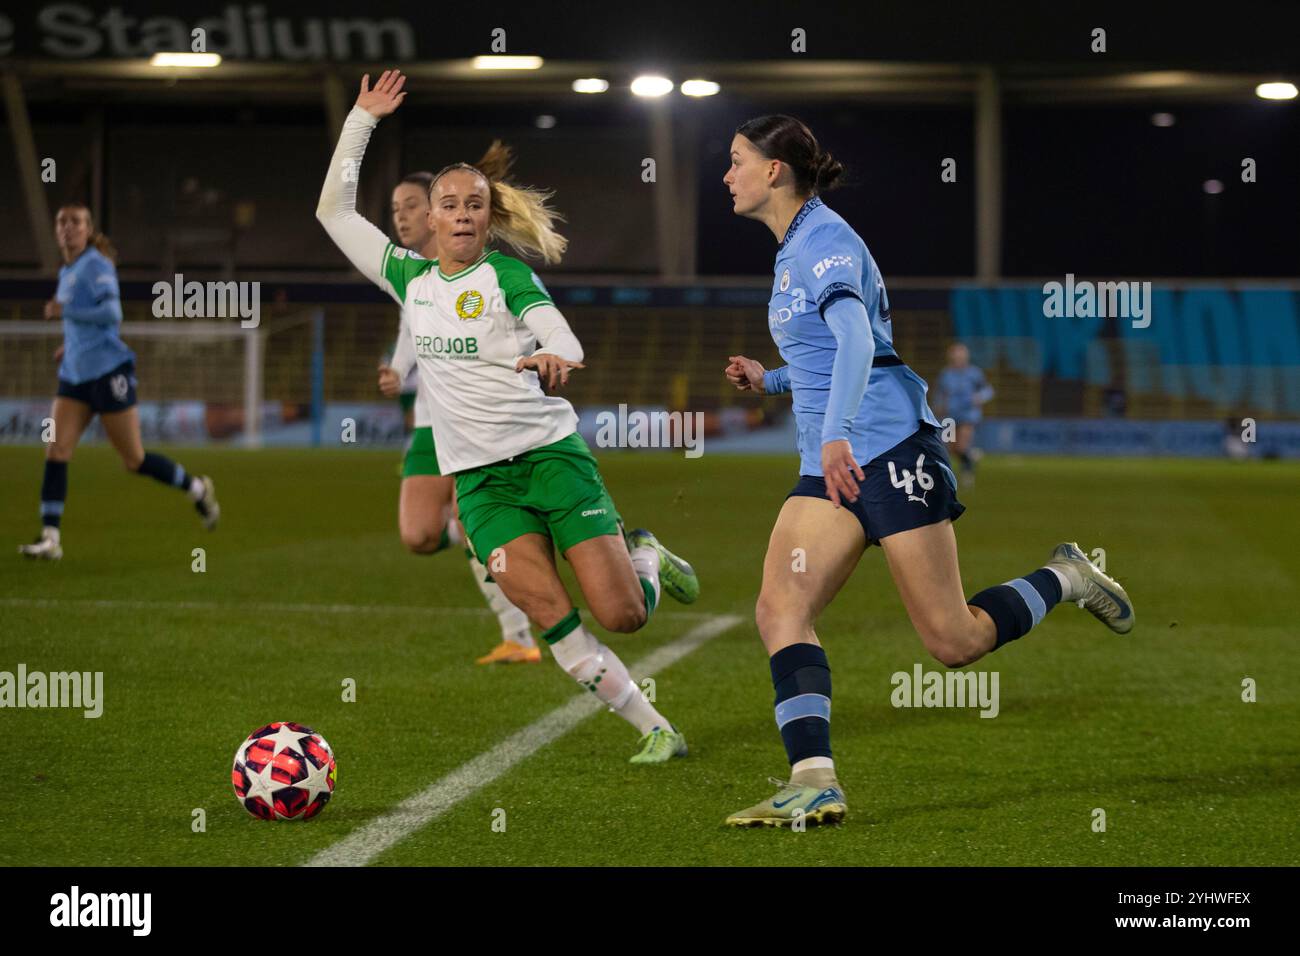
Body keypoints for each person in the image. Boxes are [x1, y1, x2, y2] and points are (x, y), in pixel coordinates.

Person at [721, 115, 1135, 826]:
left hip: (886, 449)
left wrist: (838, 433)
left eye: (735, 161)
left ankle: (1065, 577)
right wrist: (774, 383)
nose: (726, 176)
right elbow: (836, 356)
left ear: (774, 171)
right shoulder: (794, 249)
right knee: (779, 608)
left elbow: (856, 336)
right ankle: (814, 778)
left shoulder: (823, 240)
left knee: (954, 641)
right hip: (834, 462)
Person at [317, 70, 700, 763]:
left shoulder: (507, 278)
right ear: (431, 218)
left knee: (624, 615)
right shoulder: (408, 279)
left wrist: (556, 357)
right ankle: (654, 727)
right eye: (449, 204)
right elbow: (334, 214)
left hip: (552, 459)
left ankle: (645, 553)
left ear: (488, 218)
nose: (462, 214)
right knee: (550, 615)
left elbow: (563, 336)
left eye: (475, 205)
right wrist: (361, 121)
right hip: (482, 486)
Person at [377, 170, 536, 664]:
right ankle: (479, 529)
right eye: (395, 209)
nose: (400, 217)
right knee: (419, 535)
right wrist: (397, 370)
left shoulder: (486, 273)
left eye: (408, 206)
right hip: (430, 421)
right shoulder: (414, 276)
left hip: (480, 421)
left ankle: (520, 637)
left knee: (476, 523)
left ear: (434, 212)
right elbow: (409, 331)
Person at [19, 203, 219, 561]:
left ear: (87, 229)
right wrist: (72, 345)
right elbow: (89, 323)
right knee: (57, 450)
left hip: (110, 374)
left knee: (134, 460)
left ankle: (197, 487)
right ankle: (51, 538)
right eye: (62, 222)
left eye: (75, 222)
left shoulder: (96, 264)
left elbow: (113, 313)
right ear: (55, 230)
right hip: (75, 377)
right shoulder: (68, 271)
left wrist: (67, 313)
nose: (68, 228)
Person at [933, 342, 994, 486]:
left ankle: (967, 475)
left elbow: (988, 390)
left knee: (961, 446)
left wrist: (979, 397)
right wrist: (936, 407)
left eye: (961, 355)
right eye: (956, 355)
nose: (958, 358)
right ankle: (972, 456)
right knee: (950, 449)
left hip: (969, 415)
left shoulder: (974, 373)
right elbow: (940, 394)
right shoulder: (946, 374)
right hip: (949, 416)